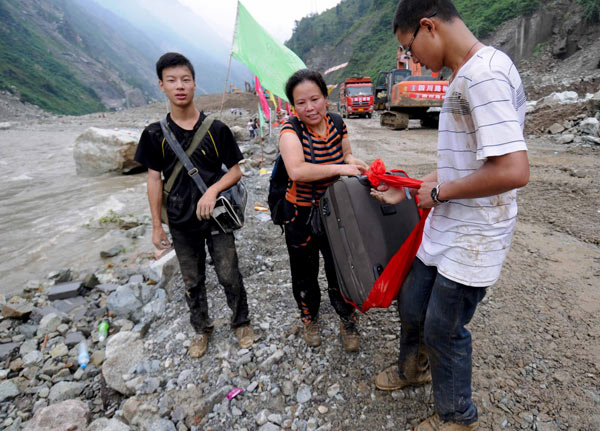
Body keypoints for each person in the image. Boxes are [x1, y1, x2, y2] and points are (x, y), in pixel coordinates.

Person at [370, 1, 530, 430]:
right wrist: (415, 187)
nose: (411, 60)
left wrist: (439, 192)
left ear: (428, 27)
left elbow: (513, 170)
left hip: (475, 232)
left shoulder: (484, 75)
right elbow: (469, 161)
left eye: (409, 48)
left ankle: (457, 416)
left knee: (444, 327)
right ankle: (413, 368)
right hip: (449, 222)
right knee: (412, 301)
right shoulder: (465, 74)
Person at [134, 52, 254, 358]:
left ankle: (241, 322)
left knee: (228, 271)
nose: (180, 86)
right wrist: (156, 225)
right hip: (180, 220)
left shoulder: (217, 129)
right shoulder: (153, 134)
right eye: (172, 80)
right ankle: (201, 329)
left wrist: (212, 190)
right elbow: (154, 180)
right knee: (192, 278)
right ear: (161, 85)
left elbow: (237, 170)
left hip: (215, 218)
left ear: (195, 84)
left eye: (185, 79)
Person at [279, 69, 369, 352]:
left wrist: (356, 163)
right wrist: (342, 168)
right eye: (301, 102)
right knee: (304, 272)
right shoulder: (290, 130)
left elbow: (347, 154)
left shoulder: (338, 123)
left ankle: (347, 318)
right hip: (300, 214)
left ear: (325, 98)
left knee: (340, 267)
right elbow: (297, 170)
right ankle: (310, 318)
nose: (309, 108)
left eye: (314, 99)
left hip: (335, 210)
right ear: (293, 106)